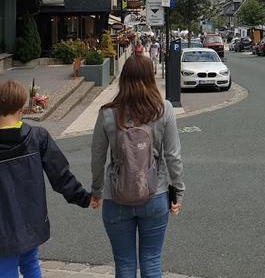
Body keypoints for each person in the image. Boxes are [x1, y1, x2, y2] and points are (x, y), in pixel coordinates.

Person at [91, 55, 185, 278]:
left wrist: (96, 191)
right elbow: (173, 156)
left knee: (124, 265)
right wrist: (178, 192)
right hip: (155, 194)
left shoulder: (107, 113)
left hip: (116, 197)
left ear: (123, 80)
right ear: (151, 77)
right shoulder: (164, 109)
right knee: (152, 262)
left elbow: (97, 156)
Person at [0, 80, 91, 278]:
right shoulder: (37, 137)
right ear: (21, 107)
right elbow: (60, 175)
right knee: (31, 264)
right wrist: (84, 197)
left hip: (2, 226)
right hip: (31, 220)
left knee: (5, 269)